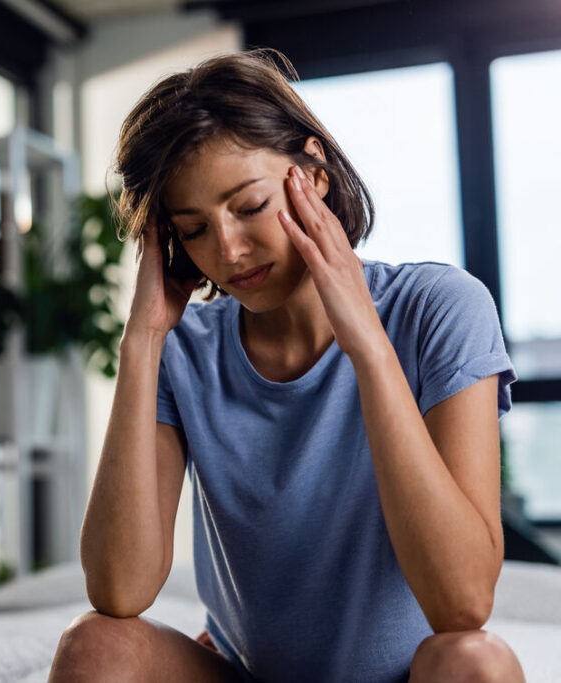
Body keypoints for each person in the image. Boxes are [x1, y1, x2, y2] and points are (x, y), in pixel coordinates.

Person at [47, 49, 525, 682]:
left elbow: (462, 603)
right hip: (250, 675)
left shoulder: (441, 308)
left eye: (248, 207)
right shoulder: (183, 349)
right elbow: (120, 591)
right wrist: (143, 343)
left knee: (477, 661)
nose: (229, 251)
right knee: (94, 647)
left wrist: (368, 346)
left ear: (314, 172)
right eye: (193, 229)